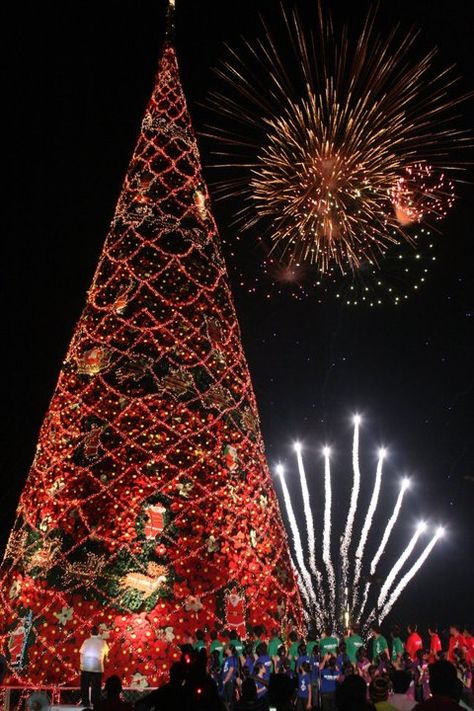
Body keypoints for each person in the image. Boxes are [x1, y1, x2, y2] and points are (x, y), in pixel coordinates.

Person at [79, 626, 109, 707]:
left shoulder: (86, 641)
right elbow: (106, 652)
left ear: (90, 632)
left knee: (85, 685)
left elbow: (81, 653)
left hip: (86, 666)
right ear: (99, 632)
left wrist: (81, 664)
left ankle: (85, 702)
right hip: (97, 667)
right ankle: (95, 702)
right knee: (96, 686)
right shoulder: (103, 642)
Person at [222, 644, 238, 710]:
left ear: (230, 650)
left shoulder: (232, 659)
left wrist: (225, 681)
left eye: (227, 648)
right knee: (227, 698)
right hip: (227, 681)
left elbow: (231, 671)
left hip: (229, 681)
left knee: (230, 699)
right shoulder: (228, 658)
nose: (225, 649)